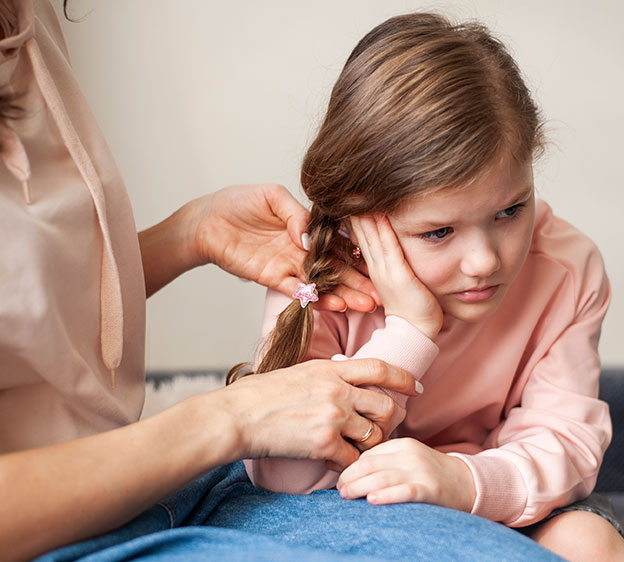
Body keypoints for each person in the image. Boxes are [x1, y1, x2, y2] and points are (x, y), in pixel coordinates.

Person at [0, 2, 431, 561]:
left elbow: (24, 320)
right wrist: (228, 418)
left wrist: (187, 234)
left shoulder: (30, 19)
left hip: (151, 476)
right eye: (440, 231)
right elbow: (289, 474)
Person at [239, 12, 624, 562]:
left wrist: (462, 482)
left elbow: (565, 444)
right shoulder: (318, 278)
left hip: (493, 490)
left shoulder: (566, 266)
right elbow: (284, 477)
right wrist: (410, 332)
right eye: (439, 231)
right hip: (343, 503)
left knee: (590, 542)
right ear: (358, 220)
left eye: (510, 210)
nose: (484, 260)